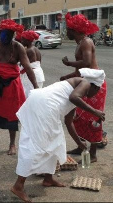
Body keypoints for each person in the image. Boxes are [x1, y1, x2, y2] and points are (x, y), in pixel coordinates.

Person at [11, 68, 106, 202]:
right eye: (97, 91)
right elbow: (73, 97)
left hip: (44, 106)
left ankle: (48, 178)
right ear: (94, 85)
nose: (96, 94)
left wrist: (79, 143)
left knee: (56, 141)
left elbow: (69, 122)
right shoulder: (84, 83)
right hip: (44, 107)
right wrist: (95, 112)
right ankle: (18, 186)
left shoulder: (77, 92)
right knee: (37, 146)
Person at [0, 19, 39, 155]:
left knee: (13, 115)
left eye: (9, 34)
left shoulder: (18, 47)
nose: (5, 37)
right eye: (3, 33)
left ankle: (12, 144)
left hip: (11, 85)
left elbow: (28, 68)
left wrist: (36, 87)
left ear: (13, 34)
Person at [61, 13, 107, 163]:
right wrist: (67, 77)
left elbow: (86, 62)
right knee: (78, 118)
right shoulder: (81, 43)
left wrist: (69, 64)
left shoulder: (86, 42)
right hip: (84, 83)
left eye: (68, 29)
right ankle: (81, 147)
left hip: (94, 85)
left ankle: (92, 155)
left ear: (74, 29)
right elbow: (81, 71)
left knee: (93, 118)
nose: (65, 31)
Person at [20, 30, 45, 98]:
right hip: (39, 74)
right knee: (37, 96)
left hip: (31, 77)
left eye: (23, 39)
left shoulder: (28, 50)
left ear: (28, 40)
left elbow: (26, 66)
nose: (21, 41)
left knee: (28, 96)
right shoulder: (36, 49)